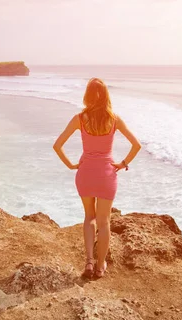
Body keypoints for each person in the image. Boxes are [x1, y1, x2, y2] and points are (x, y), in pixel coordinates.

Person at [53, 77, 141, 278]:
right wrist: (123, 164)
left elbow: (57, 146)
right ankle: (101, 266)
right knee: (104, 222)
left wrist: (71, 165)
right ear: (106, 96)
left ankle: (89, 263)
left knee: (89, 218)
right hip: (106, 175)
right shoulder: (114, 119)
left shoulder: (79, 119)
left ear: (87, 96)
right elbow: (136, 145)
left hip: (85, 174)